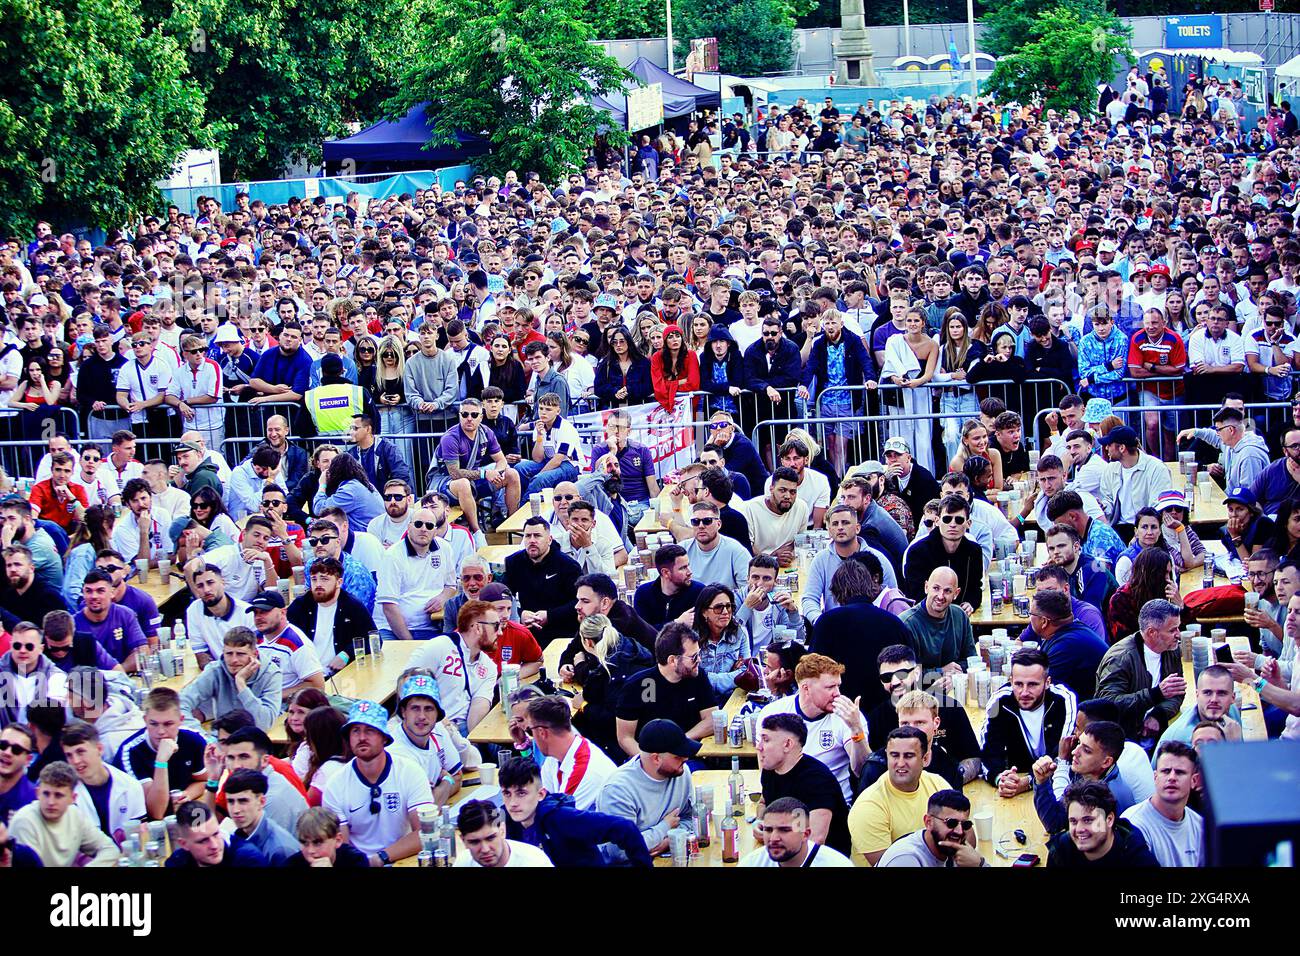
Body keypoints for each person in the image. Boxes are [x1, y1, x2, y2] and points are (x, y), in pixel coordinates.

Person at [322, 700, 434, 865]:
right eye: (355, 731)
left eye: (369, 731)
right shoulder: (335, 785)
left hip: (404, 858)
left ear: (384, 738)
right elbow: (340, 848)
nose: (361, 738)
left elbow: (424, 833)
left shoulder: (410, 772)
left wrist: (381, 858)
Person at [497, 756, 651, 867]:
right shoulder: (503, 822)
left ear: (541, 794)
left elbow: (624, 828)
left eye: (521, 793)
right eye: (506, 794)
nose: (513, 803)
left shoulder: (563, 819)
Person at [756, 653, 868, 803]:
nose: (837, 693)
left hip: (831, 807)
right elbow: (766, 770)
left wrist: (856, 730)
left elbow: (861, 770)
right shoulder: (773, 713)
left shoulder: (848, 716)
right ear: (806, 689)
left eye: (838, 686)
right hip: (785, 807)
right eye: (830, 687)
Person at [979, 649, 1079, 798]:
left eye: (1032, 685)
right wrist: (1001, 779)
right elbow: (987, 752)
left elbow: (1063, 755)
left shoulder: (1064, 700)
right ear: (1011, 681)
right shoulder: (999, 701)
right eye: (1018, 684)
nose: (1024, 692)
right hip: (1015, 781)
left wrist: (1029, 781)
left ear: (1047, 682)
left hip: (1056, 786)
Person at [596, 718, 698, 859]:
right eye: (678, 756)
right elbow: (619, 852)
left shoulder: (681, 772)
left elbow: (691, 819)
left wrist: (669, 841)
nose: (686, 759)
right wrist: (665, 827)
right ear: (656, 758)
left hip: (667, 856)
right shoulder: (618, 790)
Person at [848, 726, 948, 866]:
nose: (900, 763)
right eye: (894, 755)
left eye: (909, 756)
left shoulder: (938, 784)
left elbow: (966, 835)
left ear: (925, 758)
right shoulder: (868, 806)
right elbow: (892, 864)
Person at [756, 712, 851, 855]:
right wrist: (761, 822)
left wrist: (770, 836)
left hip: (823, 859)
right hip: (782, 850)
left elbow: (816, 840)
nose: (759, 747)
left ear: (787, 744)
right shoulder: (771, 769)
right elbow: (764, 802)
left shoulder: (817, 780)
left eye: (766, 740)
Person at [615, 623, 714, 756]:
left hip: (688, 755)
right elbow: (625, 738)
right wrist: (649, 762)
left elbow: (712, 719)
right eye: (693, 657)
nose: (699, 660)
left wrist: (680, 741)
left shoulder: (697, 676)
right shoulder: (640, 685)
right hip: (650, 758)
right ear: (672, 660)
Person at [1096, 598, 1186, 743]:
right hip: (1121, 741)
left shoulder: (1171, 649)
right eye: (1172, 630)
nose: (1179, 634)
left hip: (1156, 736)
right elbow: (1108, 703)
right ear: (1152, 633)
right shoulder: (1120, 659)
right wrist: (1155, 694)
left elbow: (1177, 693)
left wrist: (1159, 715)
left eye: (1178, 628)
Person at [114, 687, 208, 820]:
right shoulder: (130, 752)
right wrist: (161, 762)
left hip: (183, 814)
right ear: (145, 720)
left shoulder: (194, 740)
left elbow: (204, 780)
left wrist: (187, 794)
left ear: (181, 719)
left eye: (168, 724)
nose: (161, 731)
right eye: (154, 724)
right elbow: (155, 812)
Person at [409, 600, 502, 734]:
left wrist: (473, 744)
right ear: (477, 628)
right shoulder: (437, 648)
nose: (500, 633)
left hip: (461, 731)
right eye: (495, 626)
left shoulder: (489, 667)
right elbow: (406, 688)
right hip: (428, 728)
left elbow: (479, 707)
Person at [432, 398, 520, 538]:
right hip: (444, 485)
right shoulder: (450, 438)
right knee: (463, 483)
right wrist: (485, 474)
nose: (469, 418)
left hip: (472, 481)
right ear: (459, 416)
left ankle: (513, 525)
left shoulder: (486, 432)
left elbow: (501, 460)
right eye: (464, 414)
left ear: (481, 417)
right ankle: (478, 533)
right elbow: (455, 474)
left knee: (512, 474)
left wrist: (496, 473)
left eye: (474, 415)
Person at [1031, 719, 1136, 834]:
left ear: (1106, 762)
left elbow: (1093, 846)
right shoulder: (1086, 775)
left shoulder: (1111, 797)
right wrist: (1042, 781)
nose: (1074, 752)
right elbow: (1055, 822)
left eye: (1086, 750)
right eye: (1078, 744)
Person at [7, 761, 120, 867]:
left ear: (73, 798)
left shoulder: (75, 815)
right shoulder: (24, 821)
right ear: (37, 793)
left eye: (58, 795)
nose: (51, 802)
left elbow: (109, 849)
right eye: (46, 794)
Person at [802, 504, 897, 624]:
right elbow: (809, 598)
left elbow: (892, 597)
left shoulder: (878, 559)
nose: (840, 528)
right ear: (829, 531)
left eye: (845, 522)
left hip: (872, 625)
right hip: (834, 626)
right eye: (835, 524)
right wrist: (820, 621)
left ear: (857, 528)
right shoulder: (821, 559)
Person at [375, 505, 456, 642]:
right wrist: (409, 643)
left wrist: (442, 598)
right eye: (418, 524)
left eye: (429, 526)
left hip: (431, 627)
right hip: (392, 629)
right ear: (409, 527)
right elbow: (389, 607)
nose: (423, 529)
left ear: (435, 531)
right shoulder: (392, 556)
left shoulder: (444, 549)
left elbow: (451, 586)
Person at [178, 626, 283, 732]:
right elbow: (180, 703)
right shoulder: (215, 670)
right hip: (221, 740)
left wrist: (241, 684)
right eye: (229, 654)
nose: (234, 660)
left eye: (240, 654)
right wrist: (200, 735)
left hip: (253, 741)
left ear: (254, 654)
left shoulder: (271, 674)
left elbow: (264, 724)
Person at [61, 720, 145, 846]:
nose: (76, 761)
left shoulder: (130, 786)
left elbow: (139, 837)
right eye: (69, 755)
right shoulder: (63, 792)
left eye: (80, 752)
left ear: (99, 749)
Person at [1121, 741, 1205, 867]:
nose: (1171, 777)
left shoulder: (1200, 826)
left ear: (1194, 781)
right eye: (1165, 771)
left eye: (1180, 772)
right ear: (1155, 777)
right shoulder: (1132, 823)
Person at [525, 695, 616, 812]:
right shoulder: (555, 757)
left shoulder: (585, 769)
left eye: (530, 731)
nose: (531, 737)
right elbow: (542, 803)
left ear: (542, 732)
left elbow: (558, 822)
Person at [288, 556, 375, 673]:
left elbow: (373, 638)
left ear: (339, 582)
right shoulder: (300, 606)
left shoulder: (352, 606)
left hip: (341, 675)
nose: (318, 584)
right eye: (314, 579)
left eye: (324, 579)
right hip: (305, 675)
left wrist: (346, 654)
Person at [502, 517, 582, 645]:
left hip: (561, 632)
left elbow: (578, 602)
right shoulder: (514, 562)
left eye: (537, 536)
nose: (532, 540)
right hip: (526, 630)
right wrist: (519, 614)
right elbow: (503, 595)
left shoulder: (568, 566)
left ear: (549, 539)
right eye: (527, 536)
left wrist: (549, 616)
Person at [385, 674, 462, 805]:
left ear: (437, 714)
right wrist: (447, 781)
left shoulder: (437, 729)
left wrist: (444, 785)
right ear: (403, 712)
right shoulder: (396, 751)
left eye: (428, 709)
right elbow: (427, 808)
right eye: (415, 708)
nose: (422, 716)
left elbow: (458, 777)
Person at [1046, 781, 1159, 867]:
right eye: (1073, 821)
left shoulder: (1136, 856)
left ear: (1109, 819)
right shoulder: (1061, 849)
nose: (1079, 829)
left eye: (1088, 820)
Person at [901, 494, 983, 611]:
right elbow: (914, 593)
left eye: (959, 520)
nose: (953, 524)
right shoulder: (917, 552)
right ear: (937, 521)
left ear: (968, 523)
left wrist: (971, 603)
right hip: (928, 618)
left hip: (964, 618)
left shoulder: (974, 551)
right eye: (947, 519)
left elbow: (976, 587)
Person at [1022, 588, 1108, 700]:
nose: (1030, 618)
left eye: (1031, 614)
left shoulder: (1066, 646)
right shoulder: (1068, 631)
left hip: (1089, 711)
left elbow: (1040, 691)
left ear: (1044, 621)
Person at [877, 788, 988, 867]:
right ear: (928, 822)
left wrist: (979, 863)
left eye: (965, 825)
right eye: (951, 823)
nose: (959, 831)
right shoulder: (906, 859)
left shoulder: (955, 852)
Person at [249, 590, 324, 701]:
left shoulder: (297, 644)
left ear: (283, 613)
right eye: (255, 612)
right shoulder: (253, 639)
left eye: (264, 611)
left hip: (286, 705)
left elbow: (318, 685)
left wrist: (274, 696)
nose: (258, 617)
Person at [899, 567, 977, 673]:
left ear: (956, 593)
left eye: (947, 591)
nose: (940, 596)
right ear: (926, 587)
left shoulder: (960, 616)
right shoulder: (906, 624)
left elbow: (971, 660)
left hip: (955, 684)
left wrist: (953, 675)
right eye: (936, 588)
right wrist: (940, 672)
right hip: (921, 689)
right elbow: (904, 677)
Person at [740, 797, 855, 868]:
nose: (773, 838)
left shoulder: (837, 864)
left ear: (805, 834)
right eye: (768, 830)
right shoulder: (752, 862)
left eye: (784, 830)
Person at [1177, 405, 1271, 491]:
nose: (1217, 433)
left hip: (1244, 507)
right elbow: (1213, 436)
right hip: (1233, 502)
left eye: (1218, 429)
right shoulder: (1233, 442)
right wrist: (1195, 432)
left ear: (1231, 430)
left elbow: (1249, 495)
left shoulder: (1249, 456)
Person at [1098, 426, 1174, 530]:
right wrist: (1103, 506)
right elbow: (1108, 499)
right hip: (1118, 527)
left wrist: (1140, 532)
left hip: (1147, 529)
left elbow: (1157, 507)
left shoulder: (1157, 469)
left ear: (1122, 448)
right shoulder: (1110, 469)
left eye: (1109, 445)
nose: (1106, 448)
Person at [1045, 523, 1117, 627]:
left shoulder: (1093, 571)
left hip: (1107, 633)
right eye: (1051, 548)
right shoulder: (1062, 568)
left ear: (1076, 547)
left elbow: (1090, 617)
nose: (1056, 552)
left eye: (1061, 546)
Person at [224, 768, 300, 865]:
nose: (235, 810)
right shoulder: (238, 834)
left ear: (261, 802)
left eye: (243, 801)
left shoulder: (280, 850)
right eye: (230, 801)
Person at [1157, 665, 1242, 748]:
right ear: (1197, 695)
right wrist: (1234, 745)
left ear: (1233, 698)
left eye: (1222, 693)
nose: (1214, 700)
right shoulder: (1181, 740)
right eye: (1207, 693)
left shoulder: (1232, 711)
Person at [737, 467, 808, 564]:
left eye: (792, 492)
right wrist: (772, 559)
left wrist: (787, 552)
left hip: (789, 564)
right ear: (771, 489)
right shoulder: (749, 509)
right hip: (758, 566)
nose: (787, 496)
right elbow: (747, 547)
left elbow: (800, 540)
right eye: (782, 490)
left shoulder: (802, 507)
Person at [165, 799, 267, 867]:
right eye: (203, 841)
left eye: (216, 834)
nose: (214, 845)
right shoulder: (178, 860)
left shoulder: (248, 860)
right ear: (184, 844)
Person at [455, 798, 554, 868]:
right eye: (474, 842)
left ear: (502, 831)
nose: (485, 849)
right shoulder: (463, 862)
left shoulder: (535, 862)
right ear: (463, 841)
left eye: (490, 838)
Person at [633, 544, 703, 630]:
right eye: (683, 568)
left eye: (688, 565)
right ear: (666, 573)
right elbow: (641, 633)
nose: (690, 572)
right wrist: (676, 623)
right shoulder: (643, 594)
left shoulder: (699, 592)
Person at [0, 545, 67, 634]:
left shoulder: (49, 596)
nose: (12, 569)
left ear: (31, 568)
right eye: (9, 565)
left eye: (17, 564)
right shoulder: (7, 595)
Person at [683, 501, 749, 590]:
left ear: (719, 524)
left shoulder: (737, 551)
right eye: (695, 521)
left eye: (707, 521)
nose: (701, 526)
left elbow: (747, 589)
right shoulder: (683, 549)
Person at [286, 805, 372, 868]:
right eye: (304, 843)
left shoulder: (355, 860)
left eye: (317, 843)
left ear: (338, 840)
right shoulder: (292, 864)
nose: (310, 850)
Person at [0, 724, 37, 822]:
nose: (7, 753)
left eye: (17, 750)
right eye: (3, 745)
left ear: (28, 759)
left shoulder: (33, 801)